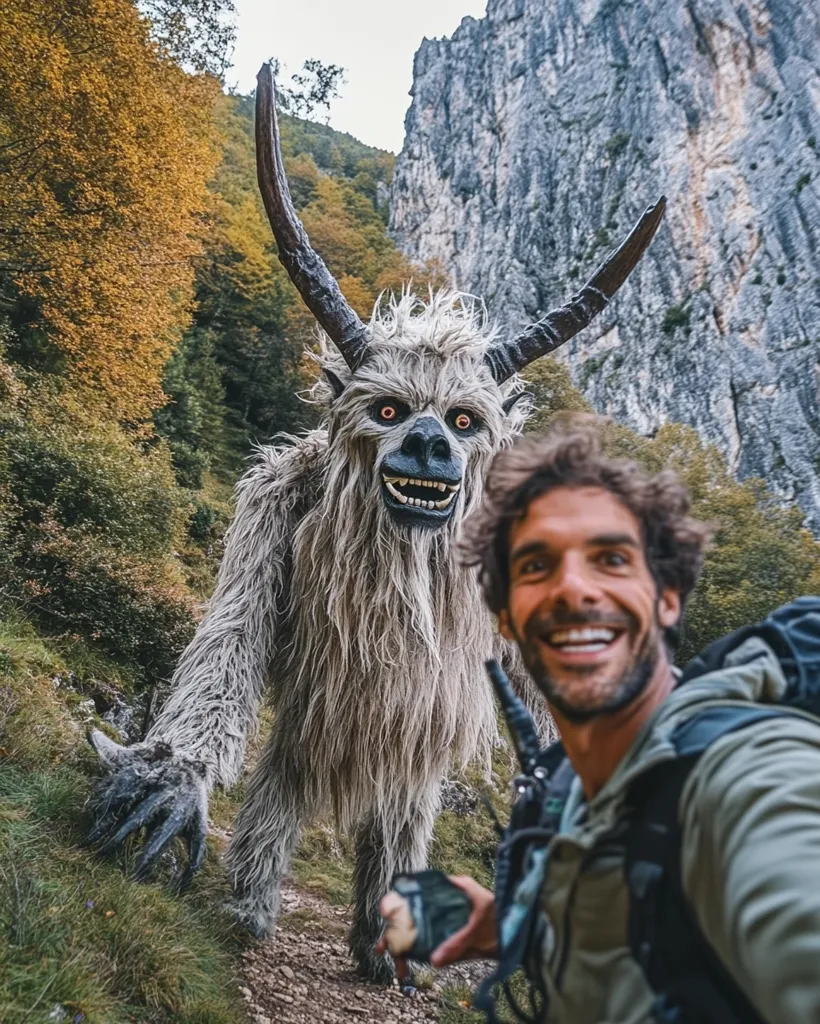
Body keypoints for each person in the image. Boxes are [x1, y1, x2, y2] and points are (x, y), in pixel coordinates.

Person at [379, 416, 820, 1023]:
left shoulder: (743, 768)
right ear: (504, 616)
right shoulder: (566, 785)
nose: (573, 590)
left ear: (667, 596)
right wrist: (511, 925)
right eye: (535, 566)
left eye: (611, 559)